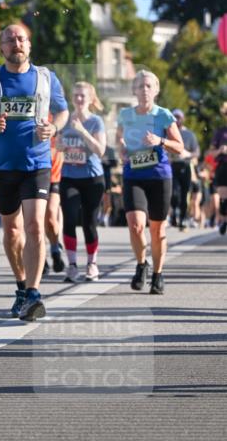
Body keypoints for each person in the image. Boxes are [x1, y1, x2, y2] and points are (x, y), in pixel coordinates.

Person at [0, 22, 68, 321]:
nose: (17, 44)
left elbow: (62, 111)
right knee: (12, 232)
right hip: (1, 166)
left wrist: (54, 127)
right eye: (10, 39)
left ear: (29, 45)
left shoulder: (45, 78)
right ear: (1, 47)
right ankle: (21, 286)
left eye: (21, 39)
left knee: (35, 226)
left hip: (37, 163)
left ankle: (35, 291)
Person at [116, 69, 183, 295]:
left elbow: (180, 146)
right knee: (135, 225)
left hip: (159, 176)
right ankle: (141, 264)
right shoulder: (125, 114)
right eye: (140, 86)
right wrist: (122, 149)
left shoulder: (163, 115)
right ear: (133, 90)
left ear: (155, 90)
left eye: (148, 86)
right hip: (133, 175)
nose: (144, 90)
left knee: (157, 229)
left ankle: (158, 273)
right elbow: (119, 139)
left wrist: (160, 140)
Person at [58, 82, 107, 282]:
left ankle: (92, 264)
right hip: (69, 176)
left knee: (89, 223)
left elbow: (100, 150)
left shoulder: (96, 122)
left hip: (92, 177)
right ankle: (71, 265)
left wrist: (82, 131)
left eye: (82, 96)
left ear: (90, 99)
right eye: (76, 95)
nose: (79, 99)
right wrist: (60, 145)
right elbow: (59, 146)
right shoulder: (65, 120)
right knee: (69, 219)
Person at [169, 108, 200, 232]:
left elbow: (196, 152)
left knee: (184, 194)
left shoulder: (189, 135)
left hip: (185, 166)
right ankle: (174, 214)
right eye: (174, 117)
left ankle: (183, 218)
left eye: (178, 117)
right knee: (174, 193)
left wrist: (188, 154)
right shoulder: (168, 133)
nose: (176, 120)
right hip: (172, 166)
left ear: (183, 118)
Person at [43, 133, 65, 275]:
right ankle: (41, 258)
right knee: (35, 220)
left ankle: (55, 248)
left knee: (51, 216)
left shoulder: (59, 113)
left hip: (54, 175)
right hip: (33, 172)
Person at [208, 101, 227, 235]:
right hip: (223, 166)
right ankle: (224, 219)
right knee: (223, 198)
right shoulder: (220, 132)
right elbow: (211, 153)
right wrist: (220, 150)